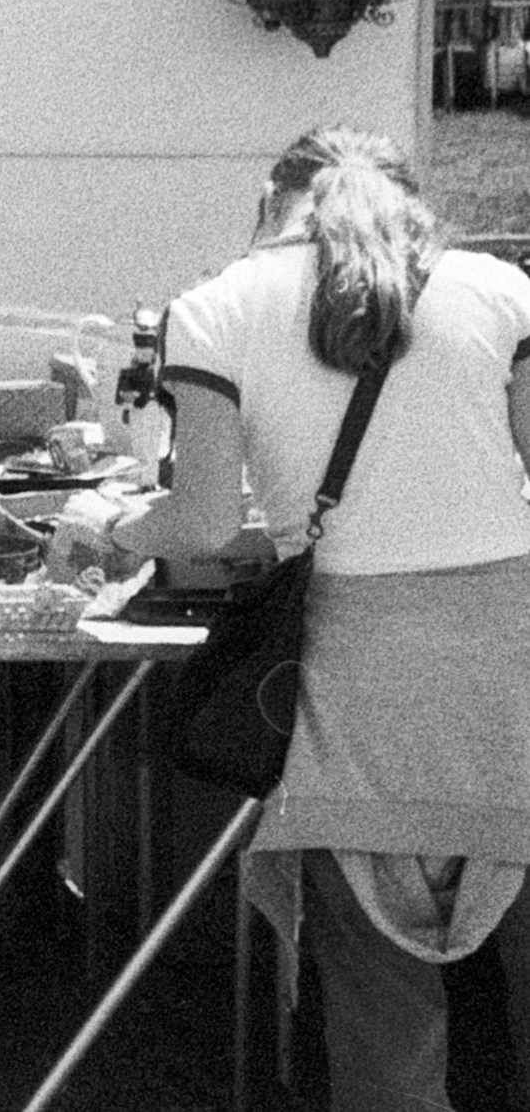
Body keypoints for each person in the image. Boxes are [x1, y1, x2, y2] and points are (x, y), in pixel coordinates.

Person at [106, 128, 530, 1112]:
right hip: (512, 675)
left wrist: (112, 527)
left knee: (387, 1029)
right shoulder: (502, 293)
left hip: (362, 696)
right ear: (410, 203)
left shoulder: (214, 311)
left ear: (272, 201)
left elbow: (203, 522)